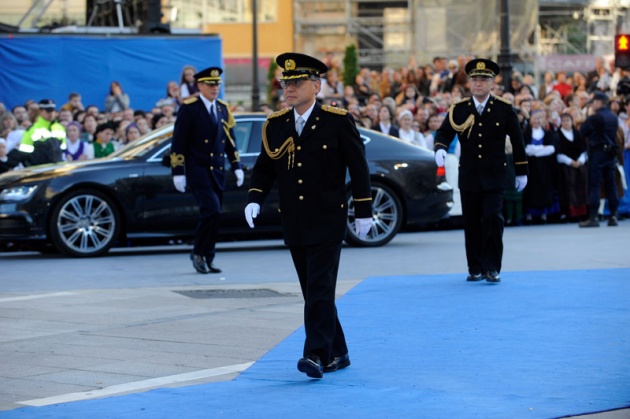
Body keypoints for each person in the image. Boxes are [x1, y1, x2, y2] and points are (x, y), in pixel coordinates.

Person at [243, 52, 373, 379]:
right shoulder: (276, 125)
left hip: (328, 219)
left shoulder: (337, 121)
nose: (289, 88)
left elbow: (358, 168)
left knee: (318, 287)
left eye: (297, 82)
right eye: (286, 82)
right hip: (295, 220)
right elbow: (264, 167)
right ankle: (339, 351)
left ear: (316, 85)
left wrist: (364, 209)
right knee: (315, 290)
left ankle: (315, 354)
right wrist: (255, 197)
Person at [434, 58, 528, 284]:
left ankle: (492, 267)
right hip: (469, 175)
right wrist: (440, 149)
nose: (478, 83)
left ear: (492, 83)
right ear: (469, 82)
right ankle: (475, 267)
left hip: (495, 175)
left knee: (493, 219)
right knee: (472, 222)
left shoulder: (503, 109)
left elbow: (517, 140)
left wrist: (522, 170)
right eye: (475, 79)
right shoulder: (459, 108)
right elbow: (444, 132)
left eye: (484, 80)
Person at [170, 66, 244, 274]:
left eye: (217, 84)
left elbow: (230, 140)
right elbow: (179, 141)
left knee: (215, 215)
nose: (215, 88)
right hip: (198, 169)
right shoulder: (190, 108)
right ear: (200, 86)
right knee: (211, 210)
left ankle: (208, 256)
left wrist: (236, 165)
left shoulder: (222, 108)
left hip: (217, 169)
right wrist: (178, 171)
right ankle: (199, 253)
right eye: (210, 85)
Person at [579, 91, 620, 227]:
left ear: (599, 102)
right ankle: (613, 215)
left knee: (595, 185)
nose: (592, 105)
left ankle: (593, 217)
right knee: (611, 185)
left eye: (594, 102)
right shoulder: (613, 117)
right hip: (610, 153)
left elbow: (582, 132)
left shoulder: (594, 117)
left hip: (597, 153)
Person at [18, 99, 66, 166]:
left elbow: (63, 149)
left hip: (58, 169)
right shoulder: (32, 130)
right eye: (48, 111)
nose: (51, 114)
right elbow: (24, 154)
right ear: (40, 111)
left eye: (53, 111)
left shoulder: (60, 128)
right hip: (40, 171)